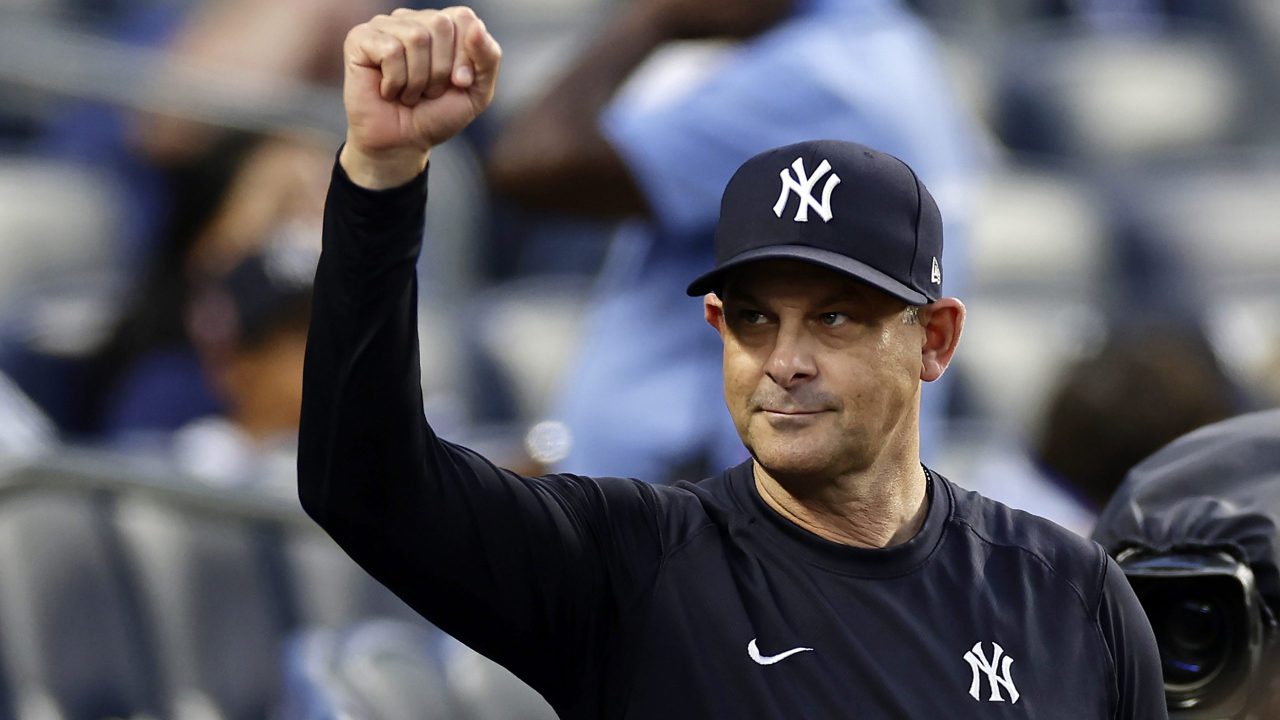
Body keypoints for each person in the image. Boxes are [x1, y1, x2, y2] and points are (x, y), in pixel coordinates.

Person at [298, 7, 1166, 717]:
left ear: (934, 339)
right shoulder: (634, 565)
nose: (785, 360)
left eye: (834, 317)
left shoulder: (1066, 593)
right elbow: (364, 485)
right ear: (717, 325)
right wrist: (382, 174)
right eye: (754, 320)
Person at [486, 0, 981, 482]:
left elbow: (532, 161)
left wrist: (650, 20)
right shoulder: (890, 49)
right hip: (747, 498)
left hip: (708, 500)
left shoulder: (811, 75)